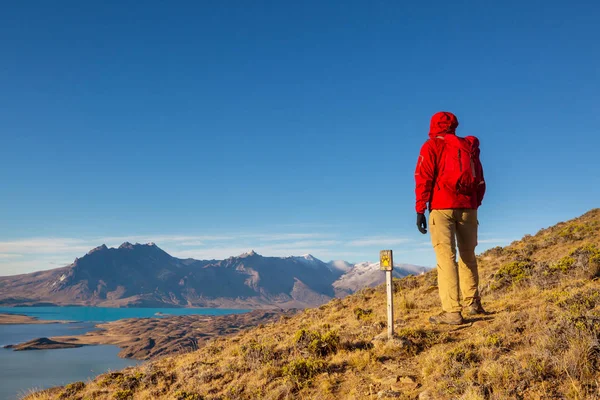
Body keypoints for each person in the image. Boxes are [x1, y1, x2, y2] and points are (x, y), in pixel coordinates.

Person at [414, 111, 487, 325]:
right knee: (468, 256)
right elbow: (481, 180)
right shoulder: (468, 148)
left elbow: (423, 177)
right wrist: (474, 204)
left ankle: (453, 312)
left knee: (446, 259)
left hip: (442, 207)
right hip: (468, 207)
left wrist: (420, 209)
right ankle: (473, 303)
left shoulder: (432, 146)